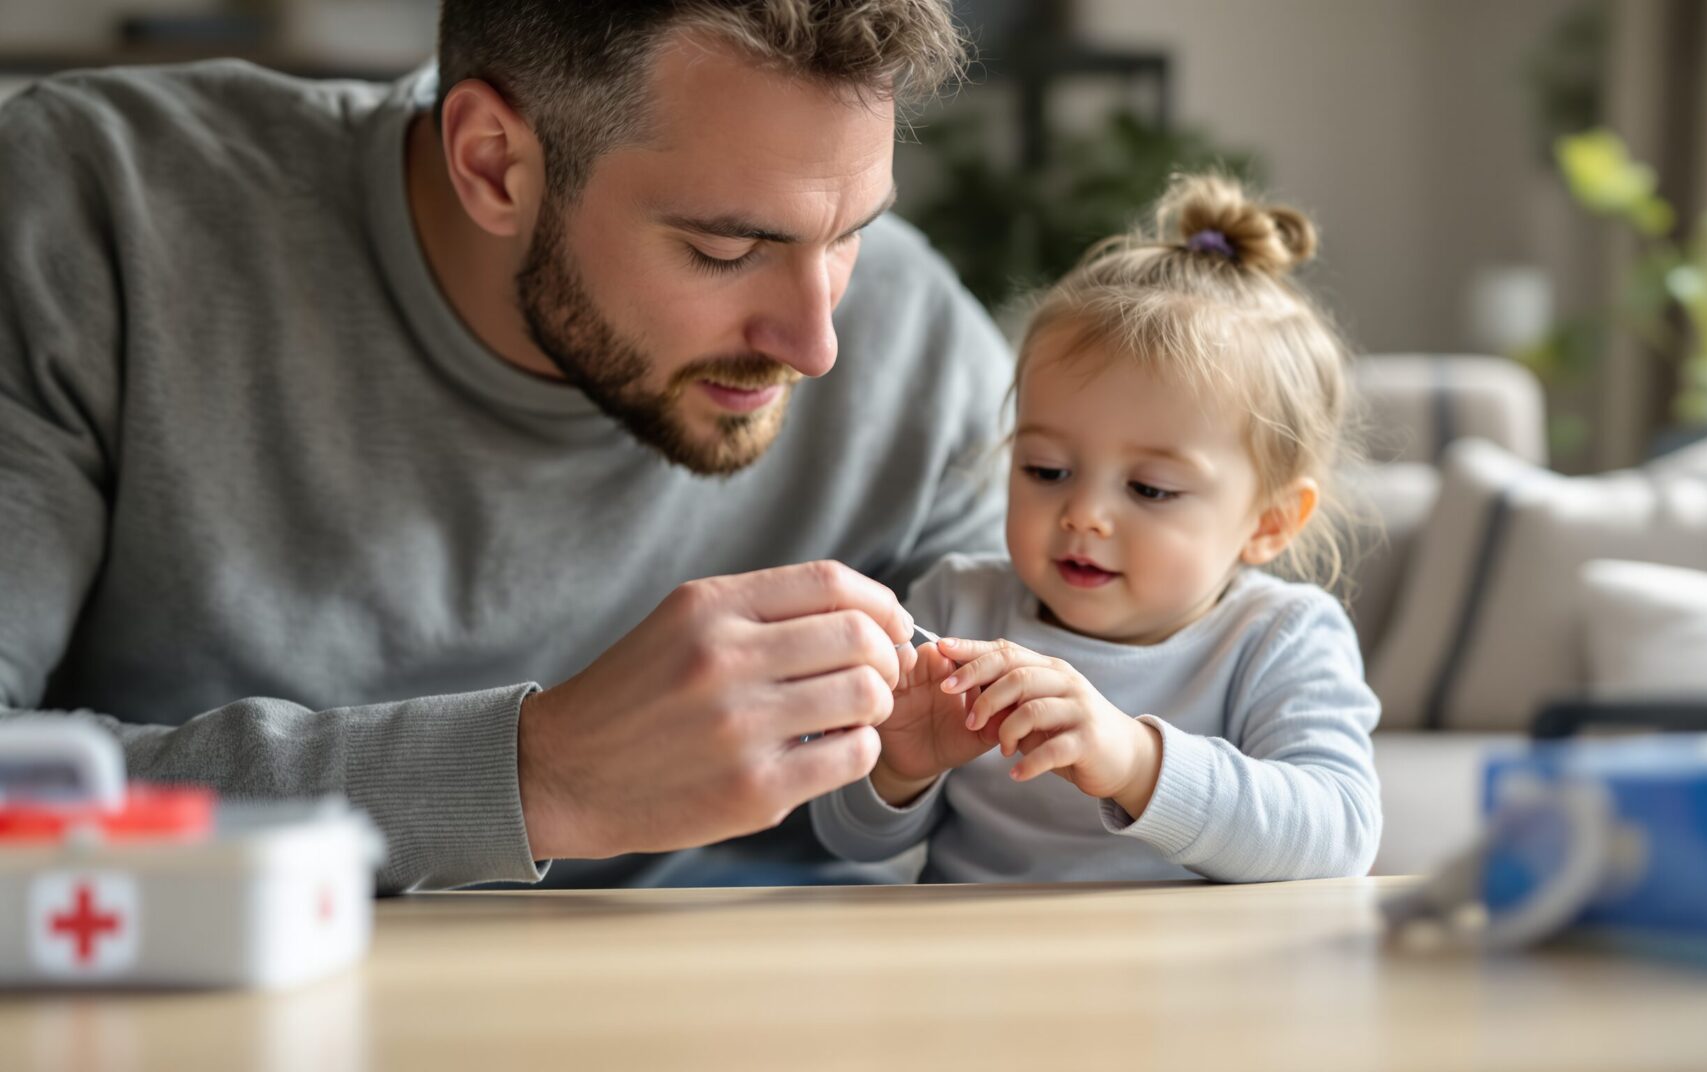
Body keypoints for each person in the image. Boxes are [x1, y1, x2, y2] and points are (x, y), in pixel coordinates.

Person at [0, 2, 1011, 893]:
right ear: (492, 161)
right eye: (726, 250)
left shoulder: (915, 347)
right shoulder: (98, 216)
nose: (819, 343)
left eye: (847, 234)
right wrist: (529, 776)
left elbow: (1088, 761)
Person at [812, 174, 1383, 883]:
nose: (1084, 513)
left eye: (1150, 488)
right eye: (1046, 470)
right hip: (979, 981)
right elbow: (847, 841)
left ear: (1269, 523)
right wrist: (899, 768)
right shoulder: (957, 609)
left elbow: (1339, 838)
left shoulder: (1280, 638)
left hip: (1195, 986)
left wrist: (1136, 762)